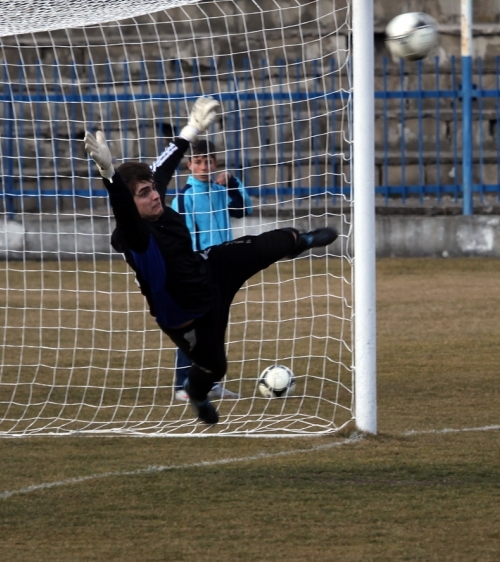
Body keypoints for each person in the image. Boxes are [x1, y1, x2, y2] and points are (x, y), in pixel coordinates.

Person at [83, 96, 337, 425]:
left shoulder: (153, 198)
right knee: (215, 367)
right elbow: (121, 205)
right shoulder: (135, 236)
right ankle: (197, 394)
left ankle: (300, 241)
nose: (155, 195)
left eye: (152, 189)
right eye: (144, 193)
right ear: (130, 204)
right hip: (188, 315)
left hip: (210, 269)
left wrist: (190, 129)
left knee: (267, 244)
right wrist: (108, 173)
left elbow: (164, 166)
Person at [169, 139, 252, 403]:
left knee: (213, 328)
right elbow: (184, 239)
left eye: (209, 161)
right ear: (189, 165)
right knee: (194, 328)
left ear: (216, 163)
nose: (205, 167)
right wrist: (192, 271)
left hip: (222, 268)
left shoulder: (220, 191)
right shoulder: (184, 198)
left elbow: (243, 208)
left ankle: (210, 383)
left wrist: (233, 182)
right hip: (197, 271)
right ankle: (184, 384)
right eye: (199, 162)